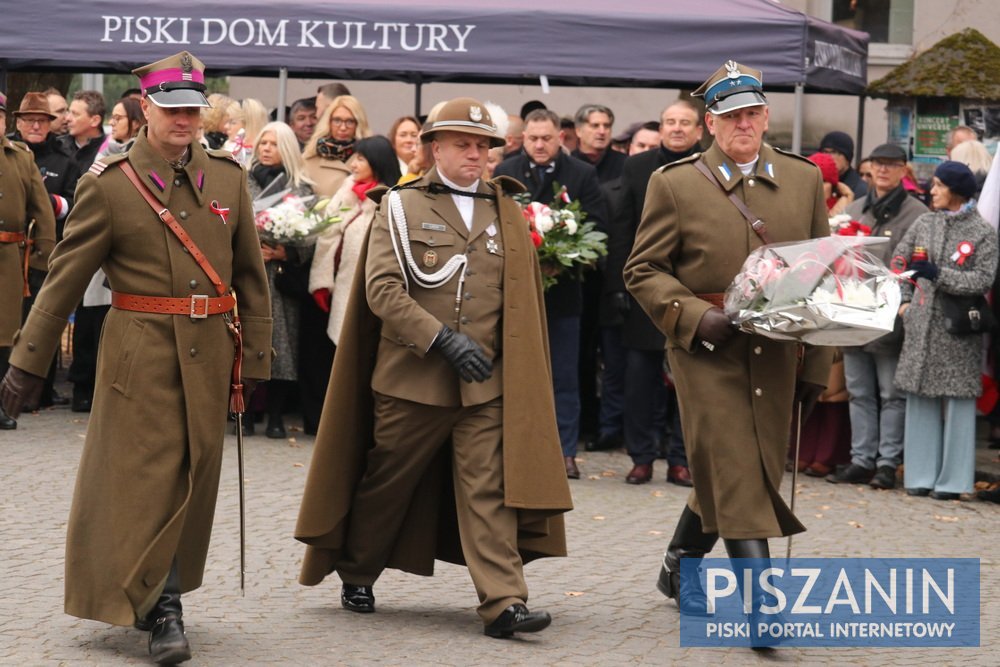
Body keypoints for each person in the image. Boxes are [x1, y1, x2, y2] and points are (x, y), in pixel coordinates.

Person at [0, 51, 272, 664]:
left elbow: (252, 278)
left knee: (194, 477)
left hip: (209, 358)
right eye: (171, 108)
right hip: (138, 354)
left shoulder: (229, 178)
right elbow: (66, 277)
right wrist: (28, 359)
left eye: (192, 110)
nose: (183, 119)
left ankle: (161, 596)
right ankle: (163, 607)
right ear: (145, 108)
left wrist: (254, 359)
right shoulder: (110, 184)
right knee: (150, 483)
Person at [294, 97, 572, 639]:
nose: (476, 155)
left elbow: (517, 299)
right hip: (412, 381)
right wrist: (442, 339)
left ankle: (503, 602)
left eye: (484, 146)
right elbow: (381, 290)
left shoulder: (505, 210)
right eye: (464, 145)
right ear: (435, 148)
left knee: (488, 491)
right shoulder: (400, 206)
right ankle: (357, 569)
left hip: (483, 384)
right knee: (387, 484)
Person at [624, 61, 832, 623]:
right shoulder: (675, 182)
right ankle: (763, 606)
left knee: (734, 464)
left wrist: (817, 370)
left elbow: (821, 277)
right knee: (739, 465)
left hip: (778, 348)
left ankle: (681, 560)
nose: (743, 123)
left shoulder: (805, 178)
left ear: (766, 117)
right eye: (729, 116)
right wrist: (691, 316)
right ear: (709, 124)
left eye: (752, 113)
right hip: (706, 350)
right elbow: (642, 270)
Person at [494, 108, 608, 480]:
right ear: (523, 137)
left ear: (561, 137)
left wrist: (562, 259)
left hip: (564, 294)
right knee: (516, 373)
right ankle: (516, 448)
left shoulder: (582, 174)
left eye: (547, 138)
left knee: (563, 376)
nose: (540, 145)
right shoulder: (505, 171)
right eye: (532, 138)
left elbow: (596, 228)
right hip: (515, 293)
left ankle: (564, 452)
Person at [603, 100, 704, 485]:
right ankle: (641, 456)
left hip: (695, 291)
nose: (676, 128)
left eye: (685, 123)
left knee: (688, 381)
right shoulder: (637, 167)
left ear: (699, 130)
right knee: (640, 380)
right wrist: (618, 286)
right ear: (661, 128)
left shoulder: (710, 167)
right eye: (670, 122)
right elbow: (622, 231)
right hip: (645, 288)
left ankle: (681, 457)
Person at [894, 161, 997, 500]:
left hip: (958, 331)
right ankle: (920, 475)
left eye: (938, 185)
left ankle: (953, 481)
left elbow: (982, 280)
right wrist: (904, 304)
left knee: (958, 406)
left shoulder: (983, 232)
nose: (931, 191)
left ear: (956, 191)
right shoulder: (924, 222)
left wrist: (940, 275)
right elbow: (900, 263)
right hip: (922, 326)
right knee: (920, 399)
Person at [827, 143, 928, 489]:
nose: (883, 171)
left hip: (889, 315)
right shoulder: (855, 208)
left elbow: (916, 267)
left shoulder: (917, 213)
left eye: (891, 165)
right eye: (878, 164)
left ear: (904, 170)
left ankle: (887, 462)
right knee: (858, 391)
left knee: (890, 393)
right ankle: (861, 459)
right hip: (853, 311)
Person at [71, 96, 145, 413]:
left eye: (118, 118)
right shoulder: (105, 153)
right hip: (100, 254)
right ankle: (83, 388)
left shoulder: (141, 157)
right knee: (89, 322)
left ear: (136, 122)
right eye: (111, 118)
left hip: (128, 257)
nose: (111, 123)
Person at [248, 121, 315, 439]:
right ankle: (243, 414)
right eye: (263, 142)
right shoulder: (242, 180)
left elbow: (311, 240)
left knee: (281, 348)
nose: (266, 148)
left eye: (273, 144)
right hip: (247, 276)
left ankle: (275, 415)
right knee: (245, 344)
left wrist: (283, 253)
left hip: (280, 279)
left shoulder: (301, 188)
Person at [309, 135, 401, 349]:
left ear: (377, 162)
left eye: (360, 159)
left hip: (376, 295)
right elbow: (327, 236)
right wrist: (321, 281)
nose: (353, 165)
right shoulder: (346, 191)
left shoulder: (393, 200)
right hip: (343, 288)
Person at [0, 96, 57, 430]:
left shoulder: (22, 158)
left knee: (7, 336)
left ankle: (3, 405)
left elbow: (42, 211)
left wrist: (42, 260)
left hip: (10, 260)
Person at [302, 95, 372, 197]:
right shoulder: (309, 159)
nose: (343, 127)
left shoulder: (371, 158)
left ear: (358, 124)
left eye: (350, 121)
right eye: (337, 121)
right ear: (328, 122)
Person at [819, 130, 867, 198]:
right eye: (825, 152)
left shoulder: (861, 190)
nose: (828, 157)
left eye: (834, 152)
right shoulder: (818, 183)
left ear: (847, 159)